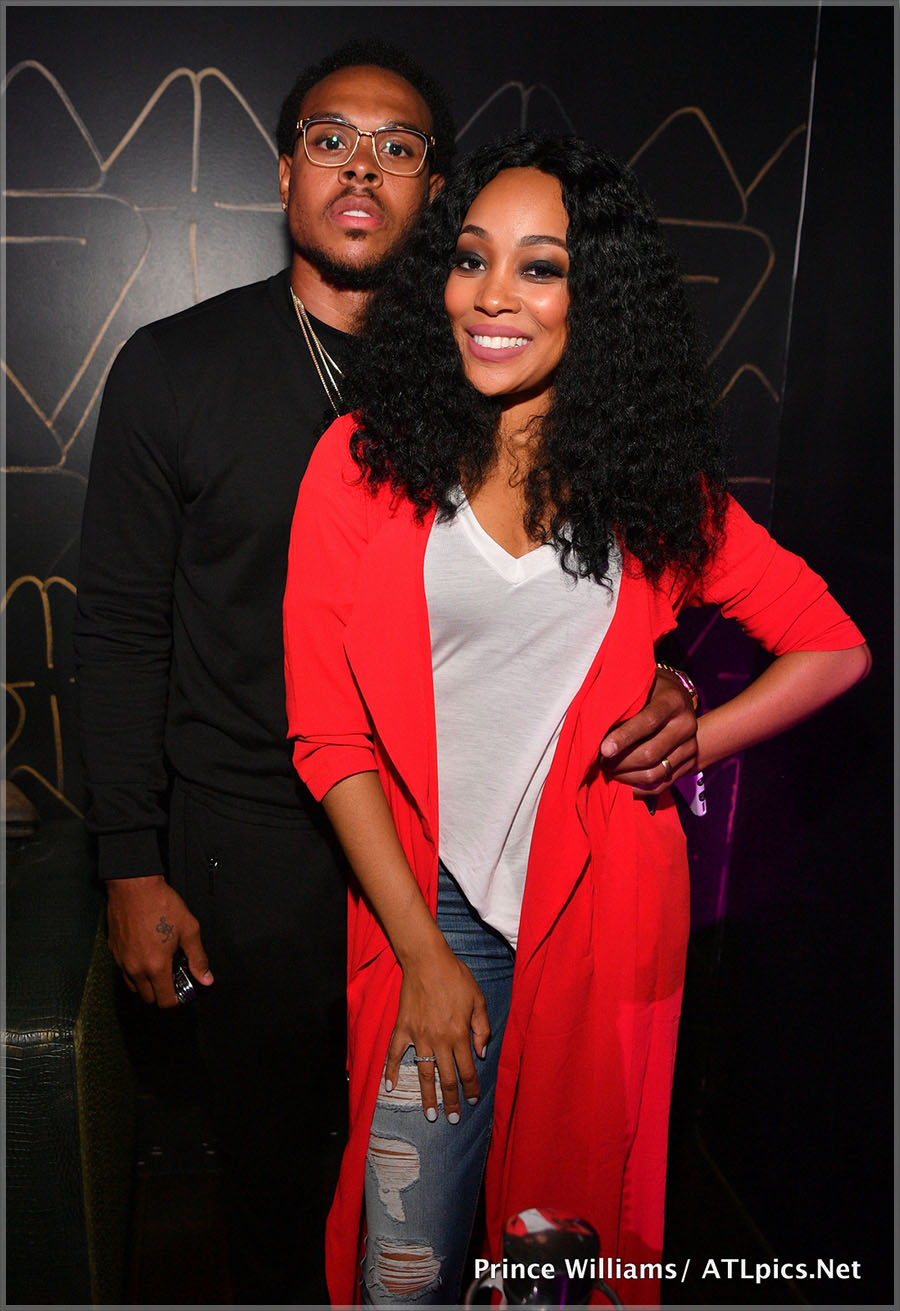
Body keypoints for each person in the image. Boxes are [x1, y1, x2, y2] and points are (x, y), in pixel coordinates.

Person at [73, 44, 697, 1303]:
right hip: (255, 850)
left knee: (445, 1179)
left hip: (449, 857)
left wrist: (668, 680)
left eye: (398, 147)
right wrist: (129, 863)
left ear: (437, 190)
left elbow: (577, 585)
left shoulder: (503, 365)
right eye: (330, 138)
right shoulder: (175, 367)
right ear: (284, 170)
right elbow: (121, 629)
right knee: (277, 1173)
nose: (361, 167)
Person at [282, 132, 870, 1307]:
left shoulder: (651, 493)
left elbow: (834, 647)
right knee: (406, 1263)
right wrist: (423, 954)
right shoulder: (362, 463)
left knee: (554, 1261)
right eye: (471, 259)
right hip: (430, 904)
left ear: (597, 300)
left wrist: (692, 733)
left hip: (597, 910)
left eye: (540, 267)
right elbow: (329, 734)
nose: (493, 295)